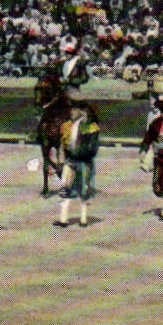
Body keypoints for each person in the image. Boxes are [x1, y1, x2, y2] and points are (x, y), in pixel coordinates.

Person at [54, 97, 100, 228]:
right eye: (71, 109)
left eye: (74, 109)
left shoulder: (90, 127)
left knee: (83, 189)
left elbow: (93, 147)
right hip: (71, 160)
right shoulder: (67, 126)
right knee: (66, 188)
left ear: (81, 111)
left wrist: (82, 155)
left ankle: (83, 219)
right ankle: (63, 219)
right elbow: (63, 144)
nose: (71, 112)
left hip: (84, 161)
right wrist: (62, 160)